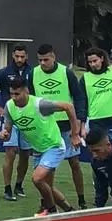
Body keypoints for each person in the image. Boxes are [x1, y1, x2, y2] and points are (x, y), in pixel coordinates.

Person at [0, 79, 80, 216]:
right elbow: (7, 128)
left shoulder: (40, 105)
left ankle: (51, 210)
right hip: (38, 150)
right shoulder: (9, 106)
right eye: (11, 94)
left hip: (54, 146)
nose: (14, 97)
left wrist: (74, 135)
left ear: (26, 91)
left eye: (17, 94)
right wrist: (4, 134)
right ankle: (70, 211)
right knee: (48, 187)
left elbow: (68, 107)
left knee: (37, 179)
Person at [30, 43, 88, 210]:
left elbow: (78, 97)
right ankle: (47, 203)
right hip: (46, 126)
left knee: (74, 162)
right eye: (39, 60)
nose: (42, 63)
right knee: (48, 169)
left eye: (45, 59)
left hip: (66, 124)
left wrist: (77, 124)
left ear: (53, 57)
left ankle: (81, 199)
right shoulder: (33, 73)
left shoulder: (66, 72)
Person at [0, 44, 32, 201]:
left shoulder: (32, 72)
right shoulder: (5, 72)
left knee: (25, 154)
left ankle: (18, 185)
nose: (19, 59)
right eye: (17, 56)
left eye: (22, 57)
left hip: (29, 118)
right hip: (10, 117)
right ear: (13, 55)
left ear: (27, 57)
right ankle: (7, 188)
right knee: (10, 152)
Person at [81, 47, 112, 144]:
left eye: (95, 61)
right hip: (96, 121)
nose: (93, 64)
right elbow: (83, 104)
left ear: (102, 59)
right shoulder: (85, 78)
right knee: (100, 152)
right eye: (90, 62)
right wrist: (82, 125)